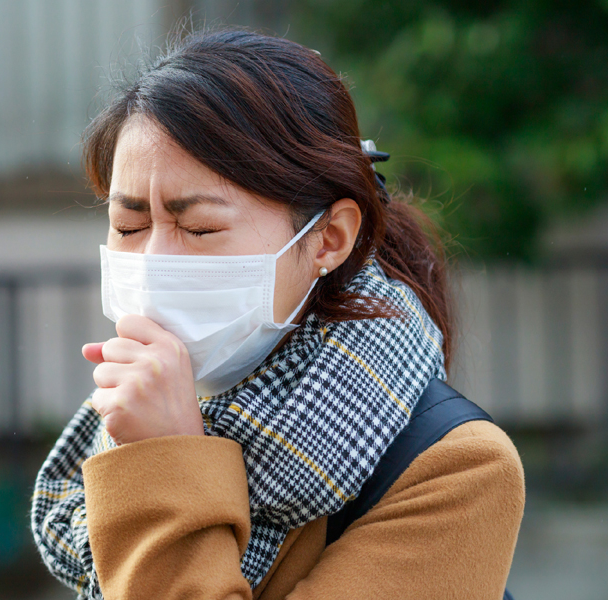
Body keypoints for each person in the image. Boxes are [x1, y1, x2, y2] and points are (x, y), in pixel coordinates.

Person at [32, 27, 525, 600]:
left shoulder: (457, 471)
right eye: (129, 226)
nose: (153, 264)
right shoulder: (137, 413)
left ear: (328, 240)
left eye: (199, 229)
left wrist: (165, 460)